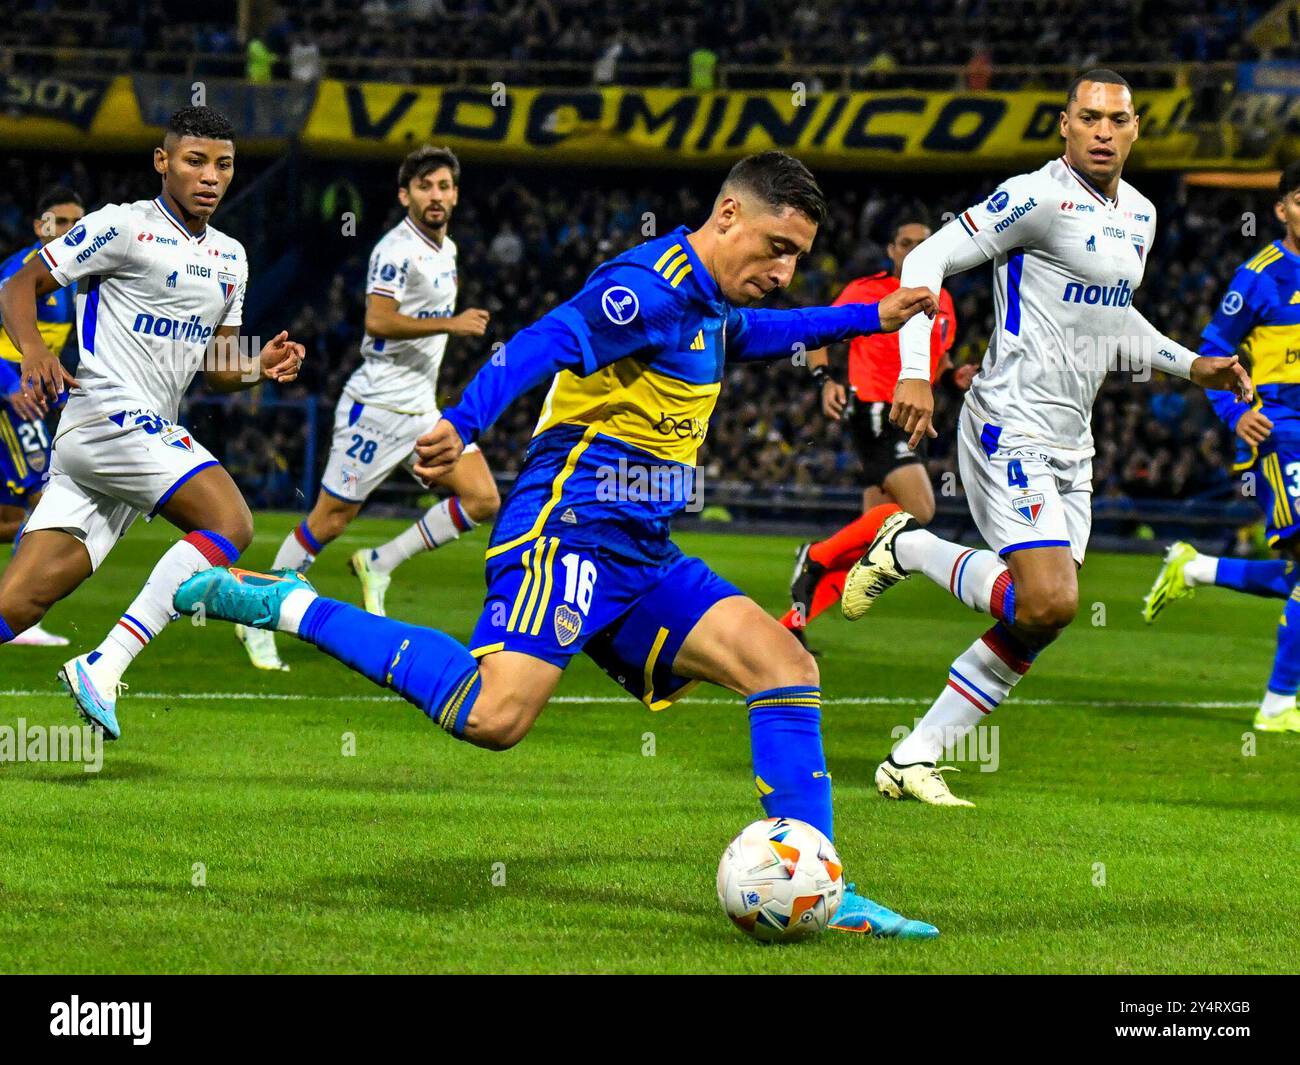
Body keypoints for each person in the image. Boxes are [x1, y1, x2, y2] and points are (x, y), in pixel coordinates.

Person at [178, 151, 940, 937]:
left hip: (641, 548)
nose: (785, 271)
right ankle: (291, 603)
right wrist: (463, 422)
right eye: (778, 248)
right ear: (728, 217)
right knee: (494, 716)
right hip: (569, 530)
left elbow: (756, 330)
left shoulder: (707, 304)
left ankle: (826, 886)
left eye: (799, 258)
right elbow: (540, 340)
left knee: (784, 666)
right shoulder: (649, 288)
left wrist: (864, 318)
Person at [841, 70, 1252, 806]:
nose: (1102, 131)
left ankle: (913, 758)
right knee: (1050, 598)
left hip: (1073, 441)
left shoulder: (1142, 216)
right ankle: (907, 546)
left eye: (1116, 119)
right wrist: (912, 370)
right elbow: (924, 260)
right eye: (1088, 117)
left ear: (1134, 129)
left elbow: (1115, 320)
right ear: (1064, 125)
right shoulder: (1035, 196)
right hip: (1008, 422)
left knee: (1040, 619)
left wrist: (1195, 366)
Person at [0, 106, 305, 740]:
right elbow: (19, 285)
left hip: (132, 440)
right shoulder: (122, 227)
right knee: (231, 522)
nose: (210, 177)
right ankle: (105, 665)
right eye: (195, 161)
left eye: (223, 165)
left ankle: (99, 665)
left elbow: (219, 367)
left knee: (19, 605)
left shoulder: (231, 258)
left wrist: (257, 365)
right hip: (105, 412)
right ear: (163, 162)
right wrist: (33, 350)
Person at [241, 147, 497, 672]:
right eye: (426, 186)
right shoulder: (394, 250)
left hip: (421, 410)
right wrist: (451, 325)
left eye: (445, 186)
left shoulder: (446, 250)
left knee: (482, 497)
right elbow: (378, 321)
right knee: (329, 521)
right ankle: (254, 615)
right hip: (376, 409)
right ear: (405, 195)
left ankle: (381, 562)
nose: (437, 196)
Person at [1142, 161, 1300, 734]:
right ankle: (1279, 703)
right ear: (1281, 210)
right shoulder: (1259, 275)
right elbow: (1210, 354)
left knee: (1298, 573)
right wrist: (1237, 415)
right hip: (1279, 431)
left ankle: (1198, 568)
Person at [784, 209, 972, 643]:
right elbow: (820, 334)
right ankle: (813, 556)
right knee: (920, 511)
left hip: (915, 419)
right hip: (877, 412)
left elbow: (936, 357)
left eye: (924, 242)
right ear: (890, 250)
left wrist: (952, 375)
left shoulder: (942, 300)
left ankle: (792, 623)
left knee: (870, 537)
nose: (915, 250)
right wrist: (825, 379)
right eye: (906, 242)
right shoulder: (868, 291)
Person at [0, 185, 85, 646]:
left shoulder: (73, 276)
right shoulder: (20, 273)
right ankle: (13, 616)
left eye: (79, 222)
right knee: (41, 499)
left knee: (15, 509)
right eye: (62, 221)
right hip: (9, 399)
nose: (72, 230)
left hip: (30, 397)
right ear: (40, 226)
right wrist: (10, 386)